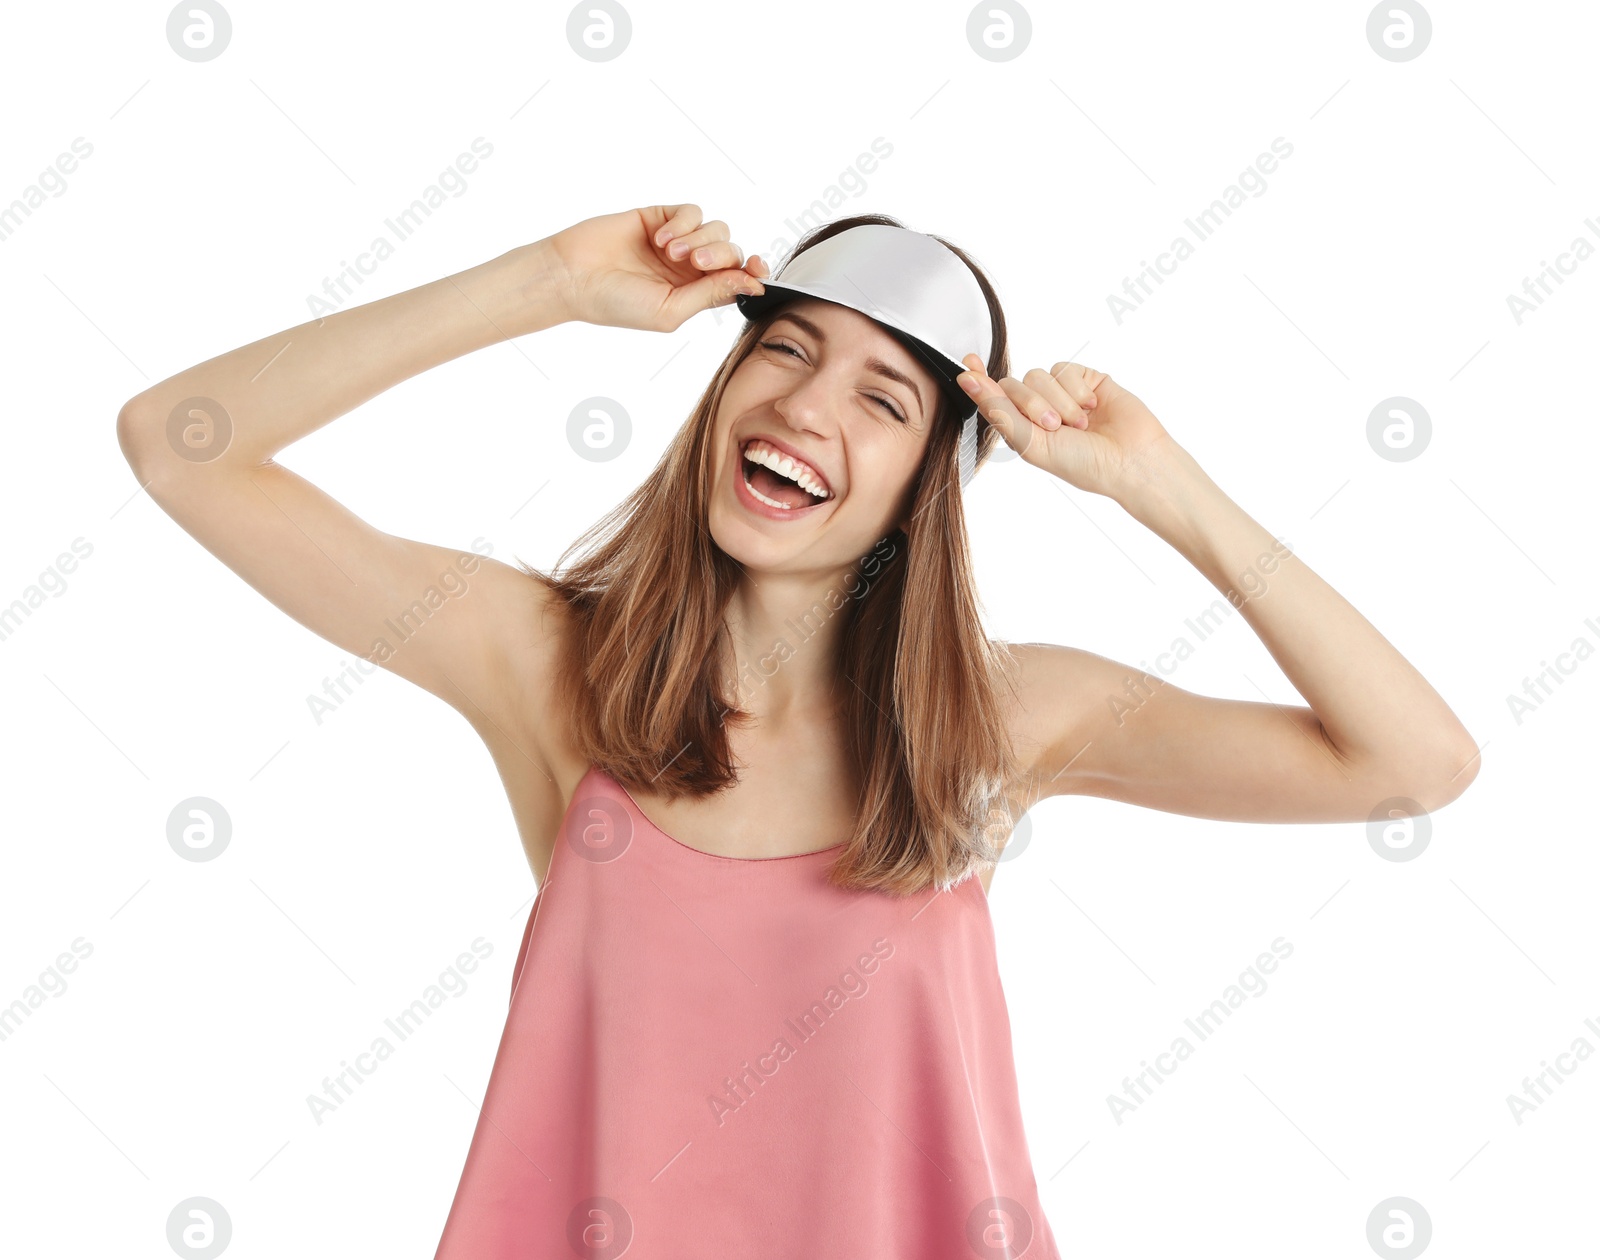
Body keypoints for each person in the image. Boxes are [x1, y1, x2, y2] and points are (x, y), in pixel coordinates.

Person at [116, 203, 1481, 1257]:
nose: (803, 408)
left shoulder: (1006, 722)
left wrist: (1164, 487)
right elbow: (180, 444)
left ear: (922, 492)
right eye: (783, 351)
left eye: (882, 400)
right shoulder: (548, 668)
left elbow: (1414, 762)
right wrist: (543, 283)